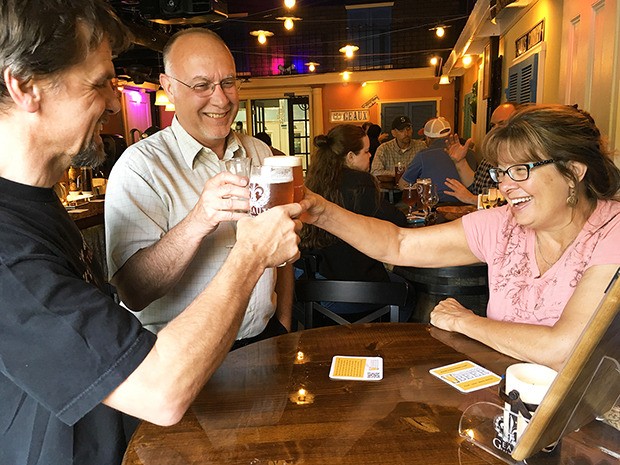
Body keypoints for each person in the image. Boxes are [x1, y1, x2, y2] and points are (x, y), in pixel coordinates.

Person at [0, 2, 302, 464]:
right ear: (25, 87)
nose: (113, 99)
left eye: (227, 82)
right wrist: (249, 253)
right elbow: (160, 388)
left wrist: (279, 320)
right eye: (100, 82)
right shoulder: (10, 249)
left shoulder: (37, 208)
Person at [300, 104, 620, 370]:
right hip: (506, 401)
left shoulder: (611, 230)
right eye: (501, 171)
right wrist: (321, 212)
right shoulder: (502, 225)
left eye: (521, 170)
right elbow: (397, 243)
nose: (506, 185)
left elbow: (564, 348)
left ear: (574, 170)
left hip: (584, 424)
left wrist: (464, 321)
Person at [106, 28, 296, 340]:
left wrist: (283, 323)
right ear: (169, 87)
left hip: (264, 338)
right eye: (202, 86)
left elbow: (282, 247)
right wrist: (199, 219)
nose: (220, 99)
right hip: (179, 358)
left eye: (228, 82)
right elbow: (134, 292)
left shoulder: (261, 154)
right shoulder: (140, 166)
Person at [299, 124, 412, 322]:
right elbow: (399, 221)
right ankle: (381, 339)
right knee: (409, 292)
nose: (370, 156)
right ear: (350, 156)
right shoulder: (362, 183)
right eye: (367, 151)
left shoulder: (313, 182)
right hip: (360, 293)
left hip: (317, 292)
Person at [444, 102, 518, 205]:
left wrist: (471, 199)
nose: (495, 129)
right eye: (493, 125)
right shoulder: (490, 154)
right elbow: (477, 186)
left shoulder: (521, 158)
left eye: (502, 124)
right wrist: (460, 162)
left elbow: (509, 203)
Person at [398, 117, 463, 203]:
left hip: (433, 205)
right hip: (465, 206)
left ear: (428, 138)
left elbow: (402, 185)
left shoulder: (423, 155)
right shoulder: (468, 152)